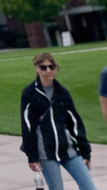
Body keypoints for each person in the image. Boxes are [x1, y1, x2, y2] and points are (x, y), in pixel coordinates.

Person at [21, 53, 95, 190]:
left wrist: (85, 152)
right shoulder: (30, 93)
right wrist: (32, 156)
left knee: (89, 187)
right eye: (43, 67)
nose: (48, 71)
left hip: (69, 149)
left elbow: (75, 122)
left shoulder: (62, 92)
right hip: (46, 153)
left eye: (51, 66)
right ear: (37, 69)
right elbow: (27, 126)